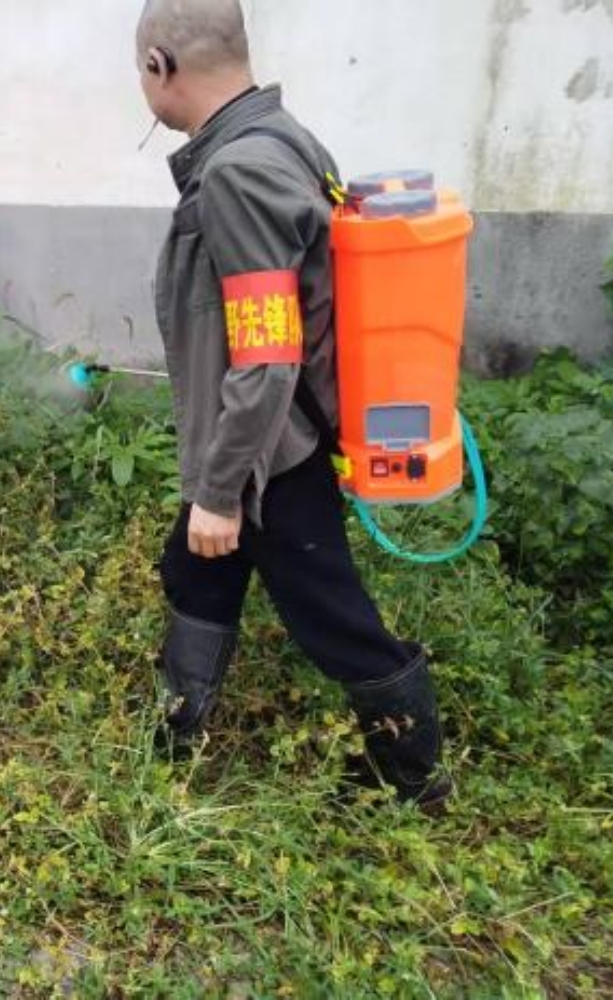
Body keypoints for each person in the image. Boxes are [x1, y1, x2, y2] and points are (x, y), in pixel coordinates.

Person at [135, 0, 449, 811]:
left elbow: (267, 354)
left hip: (270, 452)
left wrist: (219, 488)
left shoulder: (239, 172)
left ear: (160, 66)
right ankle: (171, 738)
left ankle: (415, 779)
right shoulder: (282, 138)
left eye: (140, 72)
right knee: (195, 567)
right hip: (263, 440)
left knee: (330, 613)